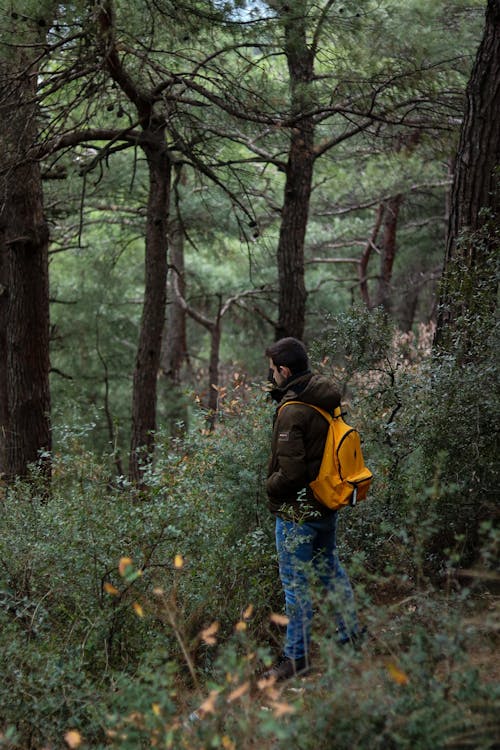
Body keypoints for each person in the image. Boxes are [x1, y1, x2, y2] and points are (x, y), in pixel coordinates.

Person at [263, 336, 362, 681]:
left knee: (295, 585)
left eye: (273, 370)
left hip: (297, 513)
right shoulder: (322, 396)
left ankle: (296, 658)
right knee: (330, 571)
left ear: (285, 370)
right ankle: (350, 637)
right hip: (326, 503)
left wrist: (268, 487)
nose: (271, 375)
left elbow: (291, 472)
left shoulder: (294, 410)